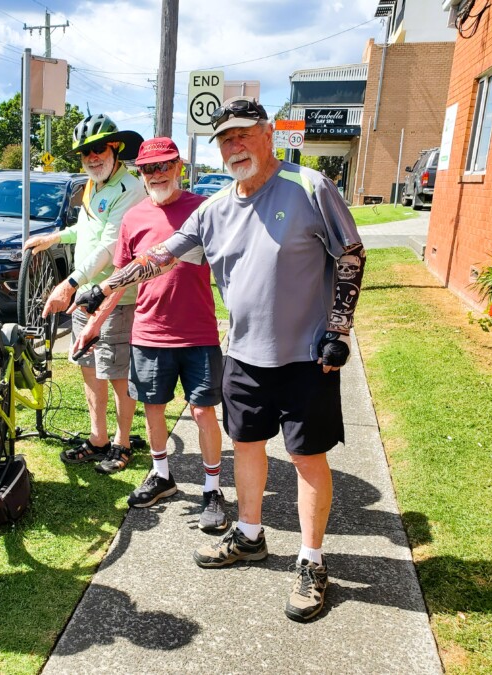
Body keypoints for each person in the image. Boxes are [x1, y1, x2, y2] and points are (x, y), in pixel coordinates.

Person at [72, 97, 366, 622]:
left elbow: (350, 254)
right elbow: (158, 258)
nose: (234, 146)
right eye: (225, 139)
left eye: (243, 134)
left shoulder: (309, 186)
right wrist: (103, 289)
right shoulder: (214, 209)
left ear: (268, 134)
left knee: (306, 457)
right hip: (245, 355)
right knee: (246, 448)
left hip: (307, 357)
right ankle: (250, 535)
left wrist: (339, 329)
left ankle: (311, 560)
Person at [71, 137, 228, 532]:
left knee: (202, 411)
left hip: (198, 332)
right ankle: (161, 476)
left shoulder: (203, 210)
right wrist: (94, 323)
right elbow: (121, 278)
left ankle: (212, 489)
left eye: (164, 165)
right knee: (153, 407)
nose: (157, 174)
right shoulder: (133, 217)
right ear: (140, 173)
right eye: (148, 168)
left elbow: (232, 265)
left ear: (178, 167)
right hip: (149, 332)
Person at [24, 114, 145, 474]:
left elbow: (110, 245)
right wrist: (54, 237)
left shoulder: (130, 189)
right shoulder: (93, 185)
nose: (92, 157)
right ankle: (98, 438)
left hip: (114, 299)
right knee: (89, 369)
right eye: (85, 152)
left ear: (115, 148)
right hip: (85, 297)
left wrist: (70, 283)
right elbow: (87, 228)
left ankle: (122, 444)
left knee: (118, 374)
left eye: (98, 149)